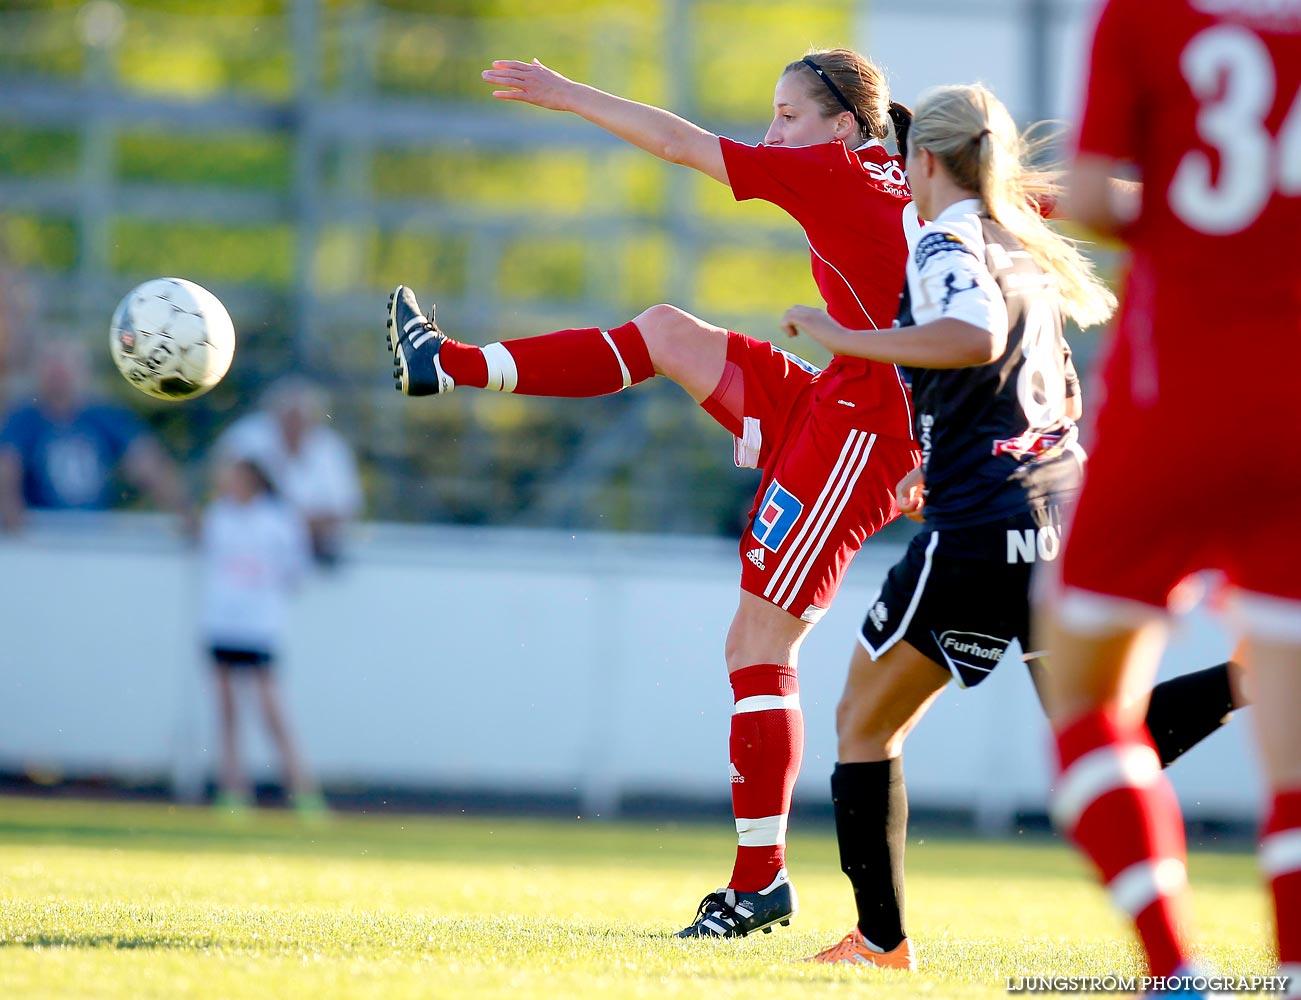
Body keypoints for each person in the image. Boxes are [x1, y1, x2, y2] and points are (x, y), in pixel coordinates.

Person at [390, 47, 923, 938]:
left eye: (787, 115)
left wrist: (566, 95)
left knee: (758, 639)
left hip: (865, 436)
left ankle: (759, 883)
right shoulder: (904, 169)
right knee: (669, 333)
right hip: (842, 394)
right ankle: (443, 364)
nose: (771, 132)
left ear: (840, 126)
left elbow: (680, 144)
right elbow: (1036, 205)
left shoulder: (837, 171)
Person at [780, 82, 1246, 971]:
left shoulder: (948, 239)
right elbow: (1052, 387)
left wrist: (843, 336)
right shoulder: (1017, 243)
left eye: (907, 156)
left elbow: (970, 336)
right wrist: (944, 452)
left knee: (862, 726)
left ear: (924, 160)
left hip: (982, 533)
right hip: (1056, 515)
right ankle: (1249, 677)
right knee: (1111, 733)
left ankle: (881, 943)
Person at [1038, 0, 1301, 992]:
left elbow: (1104, 198)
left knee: (1084, 696)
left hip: (1173, 401)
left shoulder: (1140, 14)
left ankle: (1173, 969)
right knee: (1292, 757)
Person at [200, 455, 324, 819]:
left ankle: (302, 791)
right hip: (221, 623)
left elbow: (295, 571)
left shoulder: (278, 520)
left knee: (271, 711)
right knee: (227, 712)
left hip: (259, 626)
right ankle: (233, 790)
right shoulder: (218, 516)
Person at [0, 339, 193, 532]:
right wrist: (12, 512)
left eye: (64, 367)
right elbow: (7, 467)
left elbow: (147, 463)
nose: (58, 376)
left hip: (94, 533)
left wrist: (184, 511)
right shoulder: (22, 419)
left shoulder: (104, 416)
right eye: (51, 366)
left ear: (83, 371)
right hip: (42, 530)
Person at [214, 376, 362, 567]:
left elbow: (342, 512)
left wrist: (282, 522)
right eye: (288, 417)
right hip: (244, 551)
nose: (294, 425)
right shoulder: (248, 438)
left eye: (300, 419)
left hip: (312, 557)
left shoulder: (331, 449)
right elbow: (225, 491)